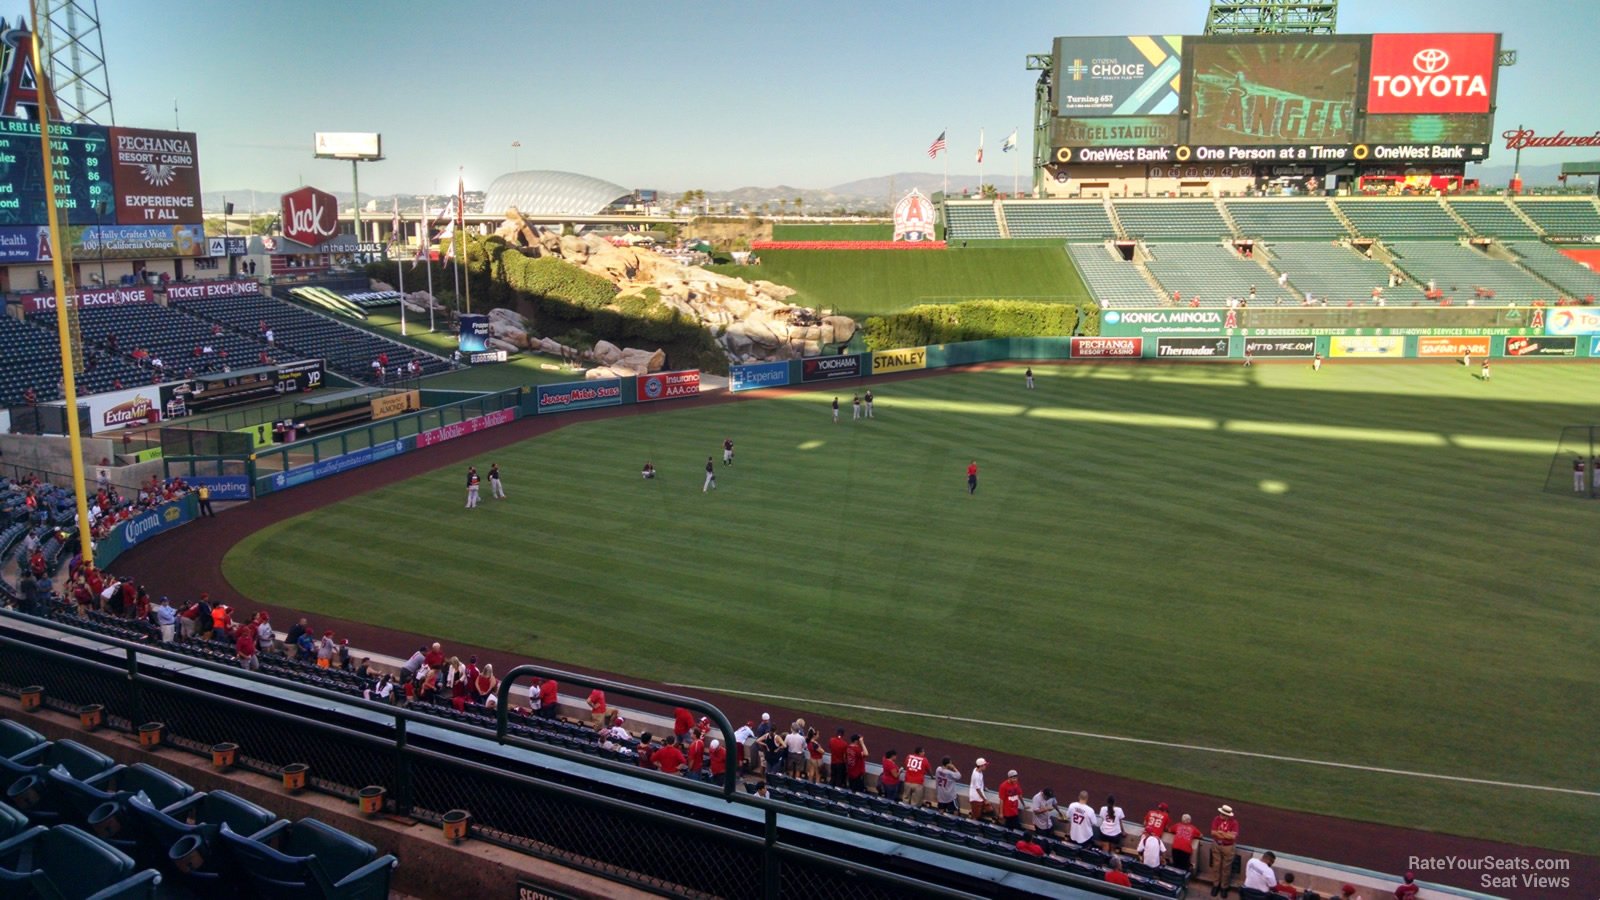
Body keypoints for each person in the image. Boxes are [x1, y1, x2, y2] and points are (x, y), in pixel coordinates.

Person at [1210, 804, 1240, 897]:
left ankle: (1224, 887)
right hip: (1217, 845)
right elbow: (1213, 833)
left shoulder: (1234, 823)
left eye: (1222, 814)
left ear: (1227, 815)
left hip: (1228, 847)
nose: (1220, 815)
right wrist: (1226, 834)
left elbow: (1233, 836)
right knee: (1216, 866)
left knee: (1226, 868)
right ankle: (1216, 885)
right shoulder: (1216, 819)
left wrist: (1221, 833)